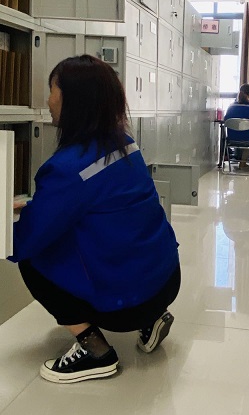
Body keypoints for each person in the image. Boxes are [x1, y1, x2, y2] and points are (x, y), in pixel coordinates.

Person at [9, 55, 180, 384]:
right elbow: (100, 203)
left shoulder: (66, 168)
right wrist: (39, 207)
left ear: (73, 100)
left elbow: (27, 241)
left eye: (52, 89)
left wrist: (9, 222)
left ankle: (95, 352)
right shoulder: (125, 145)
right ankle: (152, 319)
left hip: (127, 305)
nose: (48, 99)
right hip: (166, 280)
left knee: (32, 259)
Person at [224, 83, 249, 172]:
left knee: (245, 136)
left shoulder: (231, 106)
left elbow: (225, 120)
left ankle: (243, 163)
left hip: (232, 138)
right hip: (248, 138)